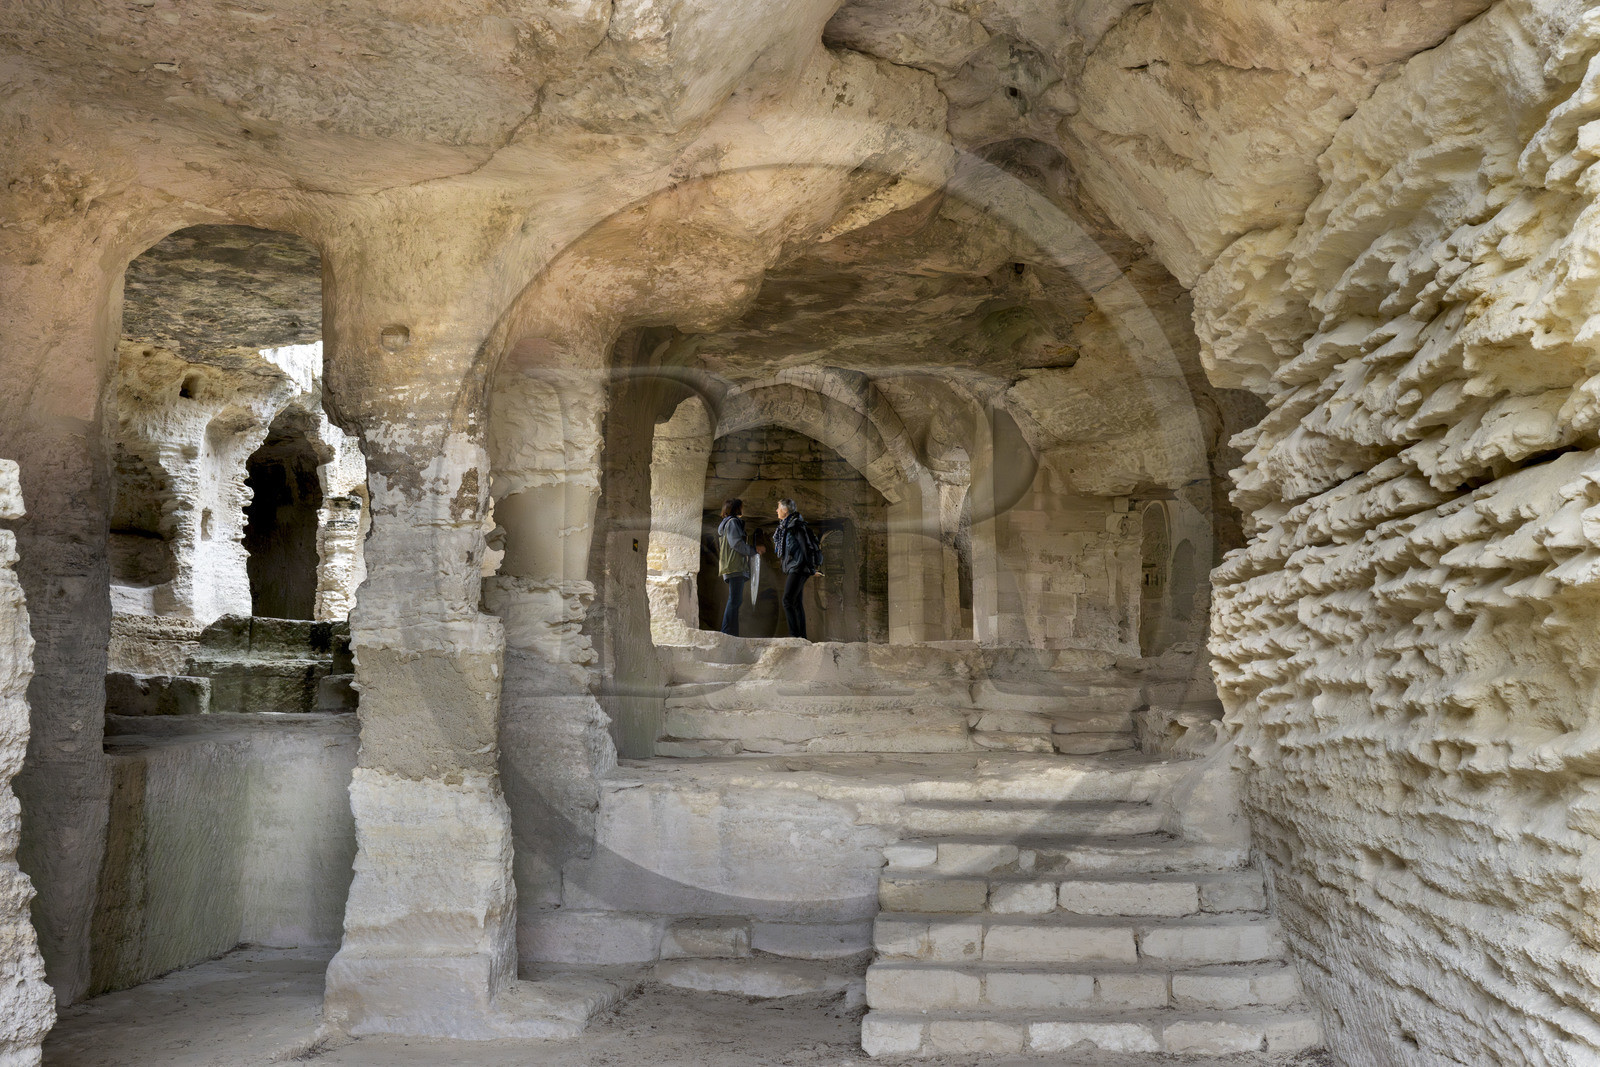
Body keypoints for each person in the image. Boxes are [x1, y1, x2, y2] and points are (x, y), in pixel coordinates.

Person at [716, 498, 764, 636]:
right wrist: (754, 550)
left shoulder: (727, 523)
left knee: (736, 600)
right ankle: (726, 632)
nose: (743, 509)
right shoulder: (732, 522)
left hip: (731, 565)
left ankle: (732, 633)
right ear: (737, 508)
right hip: (735, 565)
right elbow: (736, 544)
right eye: (742, 507)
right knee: (734, 600)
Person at [772, 497, 818, 641]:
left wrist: (811, 568)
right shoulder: (785, 527)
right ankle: (801, 637)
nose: (776, 510)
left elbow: (806, 548)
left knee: (787, 600)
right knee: (796, 602)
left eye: (778, 508)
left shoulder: (796, 525)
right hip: (795, 567)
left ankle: (794, 635)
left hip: (799, 567)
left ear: (785, 510)